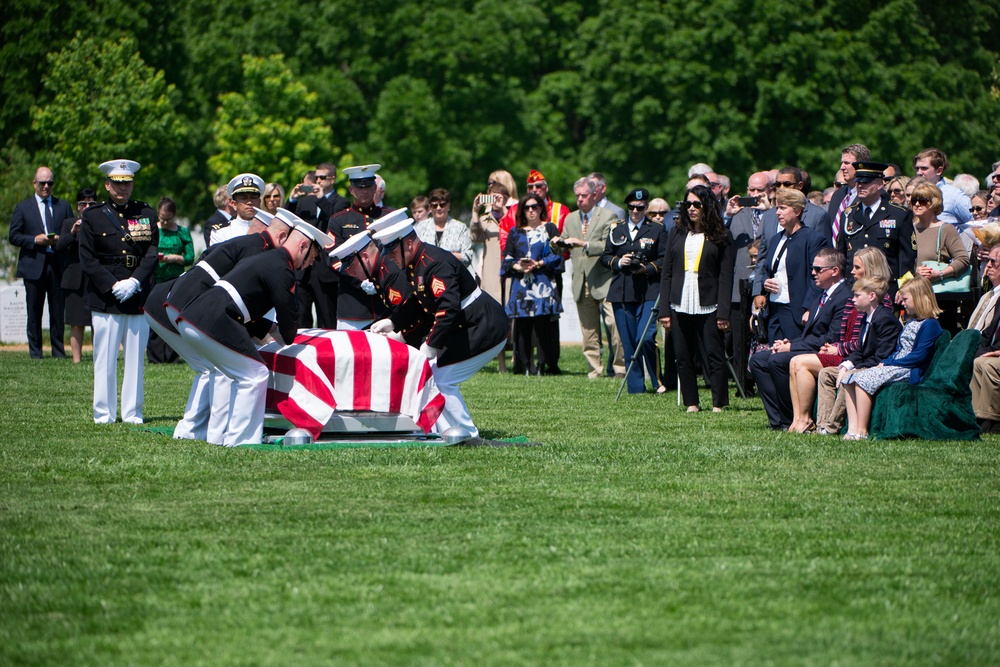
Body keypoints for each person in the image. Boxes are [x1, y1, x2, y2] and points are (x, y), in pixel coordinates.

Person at [177, 211, 329, 446]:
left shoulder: (268, 260)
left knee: (239, 373)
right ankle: (242, 441)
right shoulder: (282, 270)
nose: (309, 264)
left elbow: (247, 308)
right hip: (212, 319)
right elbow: (289, 329)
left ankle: (222, 437)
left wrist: (274, 331)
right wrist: (286, 335)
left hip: (196, 316)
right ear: (302, 246)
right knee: (255, 374)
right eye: (312, 257)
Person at [147, 208, 291, 444]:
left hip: (164, 302)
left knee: (209, 368)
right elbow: (233, 301)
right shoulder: (254, 252)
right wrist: (270, 330)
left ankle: (192, 430)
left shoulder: (239, 245)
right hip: (178, 305)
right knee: (221, 367)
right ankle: (217, 433)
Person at [370, 219, 511, 445]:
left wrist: (429, 345)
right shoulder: (416, 263)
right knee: (432, 375)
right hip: (468, 325)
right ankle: (445, 431)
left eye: (393, 251)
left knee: (443, 379)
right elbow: (419, 303)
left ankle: (468, 435)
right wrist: (393, 321)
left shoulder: (435, 263)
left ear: (407, 245)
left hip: (485, 326)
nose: (390, 257)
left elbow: (448, 308)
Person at [78, 159, 158, 424]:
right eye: (117, 183)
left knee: (135, 358)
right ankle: (104, 413)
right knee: (105, 358)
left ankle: (133, 412)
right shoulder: (93, 215)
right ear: (107, 185)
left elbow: (151, 253)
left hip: (136, 293)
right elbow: (88, 259)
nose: (122, 189)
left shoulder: (146, 213)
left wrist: (135, 282)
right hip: (106, 295)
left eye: (127, 183)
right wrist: (112, 285)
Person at [791, 247, 893, 434]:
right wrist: (837, 347)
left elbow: (865, 341)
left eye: (857, 267)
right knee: (817, 371)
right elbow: (847, 335)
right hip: (849, 353)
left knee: (801, 363)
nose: (852, 271)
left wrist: (840, 351)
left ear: (870, 269)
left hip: (862, 358)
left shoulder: (879, 302)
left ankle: (825, 425)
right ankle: (815, 423)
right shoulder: (853, 298)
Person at [750, 247, 850, 430]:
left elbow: (830, 338)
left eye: (819, 269)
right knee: (758, 360)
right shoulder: (822, 294)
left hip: (826, 352)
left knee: (777, 361)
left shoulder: (844, 297)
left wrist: (792, 348)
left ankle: (792, 418)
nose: (813, 273)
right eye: (813, 268)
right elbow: (810, 334)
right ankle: (778, 420)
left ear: (835, 271)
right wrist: (790, 343)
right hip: (809, 346)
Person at [840, 276, 944, 440]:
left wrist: (889, 362)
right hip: (896, 365)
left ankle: (862, 430)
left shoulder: (930, 324)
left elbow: (919, 355)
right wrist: (889, 362)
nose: (902, 303)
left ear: (918, 298)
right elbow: (899, 348)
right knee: (849, 379)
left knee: (862, 379)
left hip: (909, 370)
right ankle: (852, 429)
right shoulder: (911, 322)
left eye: (906, 299)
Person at [660, 184, 734, 410]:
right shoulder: (677, 232)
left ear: (707, 206)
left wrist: (723, 311)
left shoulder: (721, 235)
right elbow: (667, 272)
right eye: (688, 204)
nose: (691, 209)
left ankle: (719, 402)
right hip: (679, 300)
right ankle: (691, 402)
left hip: (708, 302)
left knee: (714, 354)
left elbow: (725, 276)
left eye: (696, 204)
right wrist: (664, 310)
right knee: (682, 355)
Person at [555, 176, 624, 379]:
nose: (580, 200)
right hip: (581, 281)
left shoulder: (609, 216)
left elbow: (611, 246)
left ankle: (620, 368)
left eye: (584, 195)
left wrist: (585, 244)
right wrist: (556, 244)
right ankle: (594, 370)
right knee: (588, 330)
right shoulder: (571, 218)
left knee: (614, 325)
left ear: (594, 195)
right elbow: (565, 247)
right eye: (577, 196)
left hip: (605, 280)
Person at [815, 276, 902, 435]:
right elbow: (860, 350)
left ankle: (832, 427)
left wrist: (851, 369)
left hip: (878, 367)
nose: (853, 299)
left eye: (857, 295)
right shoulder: (866, 317)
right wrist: (846, 364)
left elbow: (880, 356)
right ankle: (822, 424)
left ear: (872, 296)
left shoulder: (884, 319)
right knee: (826, 373)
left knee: (849, 376)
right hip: (864, 365)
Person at [602, 188, 667, 394]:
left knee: (645, 337)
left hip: (648, 289)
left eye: (640, 207)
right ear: (627, 207)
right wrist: (619, 262)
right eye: (632, 207)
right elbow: (605, 257)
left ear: (646, 208)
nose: (635, 211)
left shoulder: (657, 229)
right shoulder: (616, 229)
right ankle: (636, 387)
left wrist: (646, 268)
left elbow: (664, 259)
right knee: (628, 341)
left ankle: (657, 381)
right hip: (622, 289)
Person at [8, 165, 73, 359]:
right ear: (34, 183)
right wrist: (35, 240)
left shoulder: (63, 206)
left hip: (57, 264)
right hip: (33, 265)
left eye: (50, 183)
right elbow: (14, 236)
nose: (46, 186)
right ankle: (35, 353)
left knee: (57, 311)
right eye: (43, 183)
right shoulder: (23, 208)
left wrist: (60, 238)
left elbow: (70, 234)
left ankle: (58, 351)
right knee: (34, 311)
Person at [501, 193, 565, 375]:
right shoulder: (516, 232)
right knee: (522, 327)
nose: (531, 210)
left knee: (543, 326)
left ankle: (543, 366)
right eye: (527, 207)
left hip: (543, 282)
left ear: (541, 209)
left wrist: (538, 263)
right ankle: (524, 365)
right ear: (522, 210)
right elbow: (507, 259)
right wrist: (519, 266)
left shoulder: (550, 229)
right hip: (522, 284)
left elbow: (557, 255)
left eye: (535, 207)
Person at [757, 188, 830, 343]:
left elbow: (817, 278)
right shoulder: (776, 239)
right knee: (772, 356)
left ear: (797, 211)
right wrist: (765, 282)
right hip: (774, 310)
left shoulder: (813, 239)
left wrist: (810, 307)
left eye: (783, 208)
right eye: (777, 208)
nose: (778, 212)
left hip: (796, 311)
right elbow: (767, 269)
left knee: (790, 357)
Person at [326, 163, 394, 330]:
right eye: (359, 187)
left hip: (386, 303)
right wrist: (359, 281)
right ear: (351, 190)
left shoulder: (389, 216)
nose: (364, 191)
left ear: (375, 188)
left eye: (368, 187)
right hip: (352, 306)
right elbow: (333, 258)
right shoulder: (339, 220)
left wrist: (382, 280)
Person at [838, 161, 916, 289]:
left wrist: (904, 288)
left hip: (886, 288)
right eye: (858, 182)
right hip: (854, 288)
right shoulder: (848, 214)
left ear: (880, 184)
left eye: (866, 182)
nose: (860, 186)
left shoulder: (898, 214)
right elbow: (842, 254)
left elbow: (907, 257)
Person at [910, 181, 970, 332]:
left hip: (939, 299)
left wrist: (940, 274)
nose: (916, 204)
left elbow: (963, 259)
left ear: (934, 202)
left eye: (922, 200)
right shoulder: (908, 229)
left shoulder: (946, 229)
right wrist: (914, 271)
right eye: (913, 200)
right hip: (913, 296)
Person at [469, 182, 512, 371]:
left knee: (514, 315)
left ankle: (516, 358)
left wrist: (504, 209)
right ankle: (501, 362)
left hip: (512, 271)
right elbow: (475, 237)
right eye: (491, 196)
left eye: (498, 196)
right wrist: (475, 212)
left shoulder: (513, 215)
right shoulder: (485, 219)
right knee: (495, 317)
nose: (494, 200)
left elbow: (514, 230)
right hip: (492, 272)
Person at [147, 197, 194, 363]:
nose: (165, 221)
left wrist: (175, 258)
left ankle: (173, 356)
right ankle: (155, 356)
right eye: (161, 218)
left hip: (174, 279)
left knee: (172, 318)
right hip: (155, 278)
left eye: (168, 218)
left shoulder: (182, 232)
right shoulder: (152, 230)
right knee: (154, 316)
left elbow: (190, 258)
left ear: (174, 215)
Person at [57, 188, 98, 363]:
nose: (87, 206)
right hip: (75, 278)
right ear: (77, 206)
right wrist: (73, 231)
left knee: (98, 321)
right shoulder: (69, 223)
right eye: (83, 203)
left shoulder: (100, 223)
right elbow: (59, 246)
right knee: (76, 322)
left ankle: (99, 357)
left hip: (95, 278)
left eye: (91, 203)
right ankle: (76, 359)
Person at [498, 169, 569, 253]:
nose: (534, 190)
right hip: (522, 261)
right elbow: (503, 233)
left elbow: (567, 239)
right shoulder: (515, 210)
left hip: (552, 262)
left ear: (546, 188)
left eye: (538, 186)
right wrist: (513, 255)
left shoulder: (561, 211)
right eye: (530, 187)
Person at [969, 245, 1000, 434]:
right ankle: (976, 416)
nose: (987, 265)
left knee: (986, 365)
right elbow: (989, 331)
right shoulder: (993, 297)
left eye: (993, 262)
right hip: (994, 347)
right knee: (976, 360)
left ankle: (992, 419)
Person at [912, 147, 973, 230]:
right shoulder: (913, 192)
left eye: (924, 168)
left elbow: (975, 221)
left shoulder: (953, 195)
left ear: (939, 171)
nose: (919, 172)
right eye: (917, 168)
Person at [414, 188, 473, 269]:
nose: (438, 208)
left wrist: (446, 255)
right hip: (427, 275)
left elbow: (468, 256)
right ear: (430, 207)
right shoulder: (420, 227)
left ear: (448, 205)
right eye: (434, 205)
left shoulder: (460, 227)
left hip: (452, 274)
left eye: (442, 205)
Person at [828, 143, 871, 246]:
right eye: (842, 162)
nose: (842, 167)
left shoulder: (871, 195)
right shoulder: (838, 195)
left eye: (847, 163)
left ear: (860, 166)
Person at [209, 173, 264, 245]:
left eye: (253, 197)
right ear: (234, 204)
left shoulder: (269, 229)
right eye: (244, 198)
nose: (249, 202)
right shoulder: (221, 232)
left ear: (259, 202)